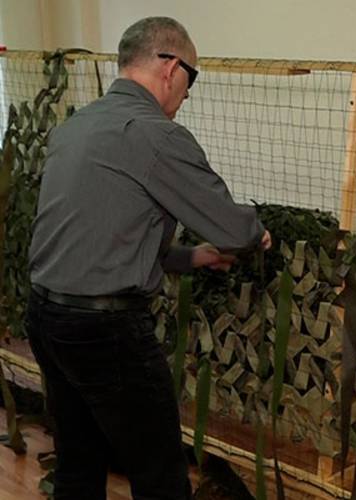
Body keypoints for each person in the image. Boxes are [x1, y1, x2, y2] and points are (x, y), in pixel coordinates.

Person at [25, 17, 271, 500]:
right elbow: (235, 229)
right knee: (161, 477)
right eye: (191, 80)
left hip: (46, 318)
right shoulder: (157, 135)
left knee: (78, 465)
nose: (187, 95)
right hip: (105, 332)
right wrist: (256, 234)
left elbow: (105, 239)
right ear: (171, 68)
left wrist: (192, 258)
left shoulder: (76, 127)